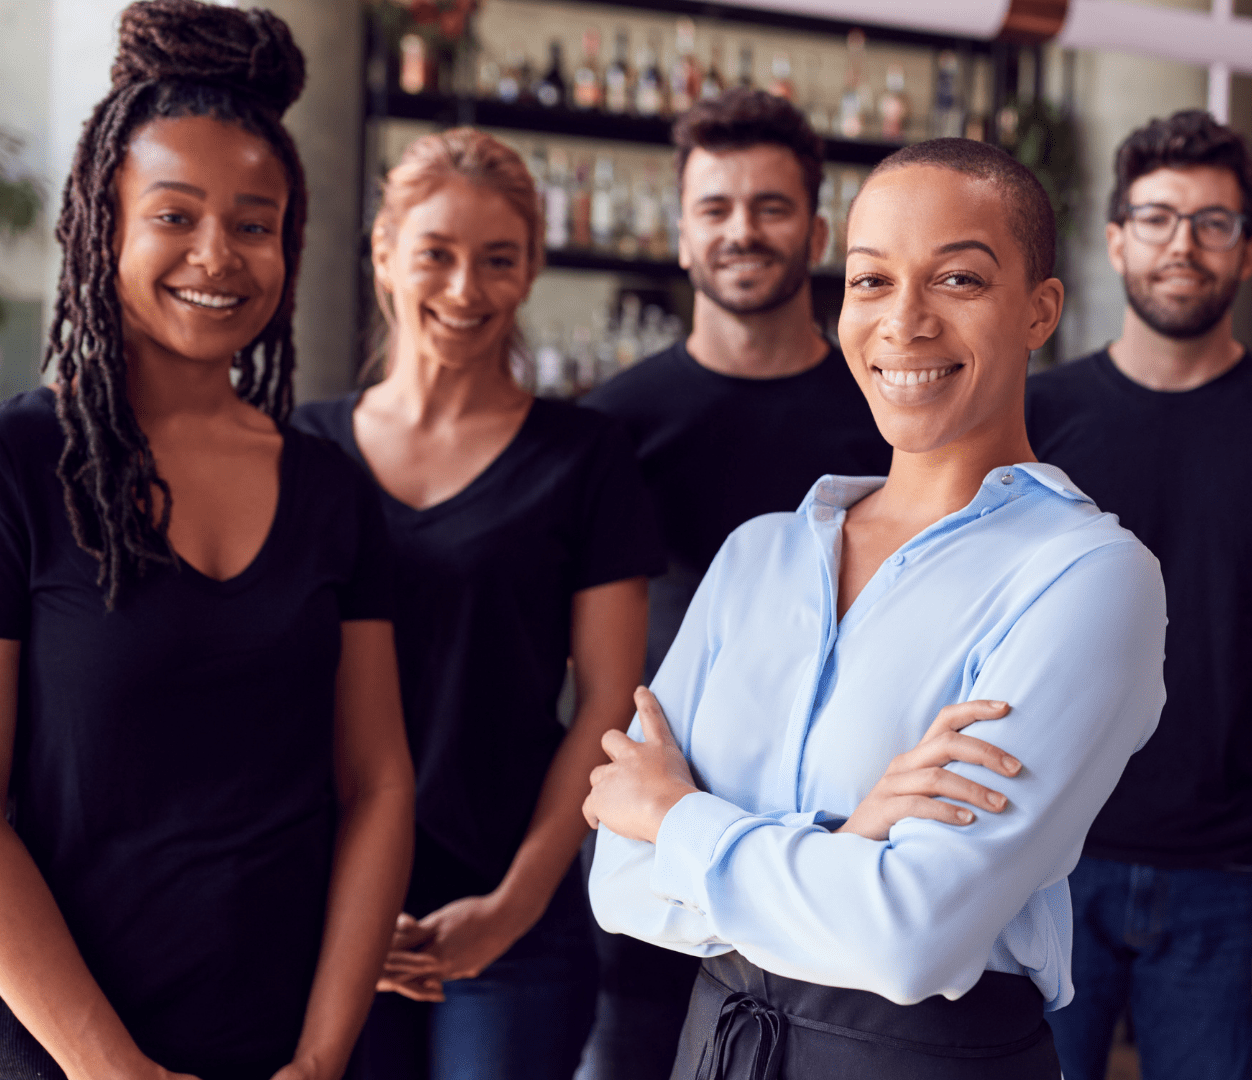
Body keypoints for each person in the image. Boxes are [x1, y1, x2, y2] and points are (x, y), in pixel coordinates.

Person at [582, 138, 1167, 1079]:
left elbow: (909, 938)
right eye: (869, 281)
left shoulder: (1090, 577)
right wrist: (847, 845)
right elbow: (619, 880)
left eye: (959, 280)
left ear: (1039, 312)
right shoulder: (756, 556)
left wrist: (682, 821)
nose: (905, 322)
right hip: (719, 1048)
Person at [0, 4, 414, 1079]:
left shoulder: (330, 488)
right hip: (68, 1048)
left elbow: (376, 783)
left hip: (286, 1042)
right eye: (175, 215)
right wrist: (115, 1071)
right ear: (103, 222)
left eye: (253, 223)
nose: (216, 256)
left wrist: (325, 1051)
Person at [294, 128, 662, 1080]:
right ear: (383, 253)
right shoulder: (297, 453)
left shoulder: (585, 458)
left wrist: (513, 905)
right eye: (437, 256)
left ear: (532, 267)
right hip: (318, 908)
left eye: (498, 260)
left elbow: (609, 706)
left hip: (516, 917)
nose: (465, 289)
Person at [1027, 110, 1252, 1080]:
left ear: (1250, 251)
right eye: (1160, 217)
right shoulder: (1035, 413)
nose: (1184, 243)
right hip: (1045, 859)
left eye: (1214, 222)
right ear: (1115, 238)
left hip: (1233, 871)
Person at [578, 86, 890, 1074]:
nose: (742, 231)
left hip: (835, 842)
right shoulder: (613, 425)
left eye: (770, 206)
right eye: (715, 208)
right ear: (680, 234)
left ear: (817, 228)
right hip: (647, 838)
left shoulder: (886, 415)